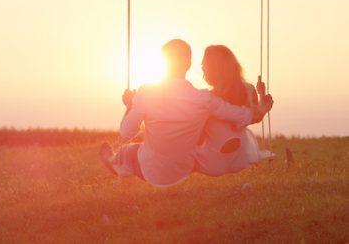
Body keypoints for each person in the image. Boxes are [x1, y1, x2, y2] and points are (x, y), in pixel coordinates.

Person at [100, 39, 273, 187]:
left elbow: (126, 132)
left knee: (128, 151)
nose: (201, 67)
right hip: (199, 166)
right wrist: (261, 107)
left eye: (204, 64)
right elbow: (244, 116)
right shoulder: (205, 99)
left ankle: (116, 162)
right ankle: (118, 164)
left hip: (162, 170)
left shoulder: (147, 92)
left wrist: (131, 104)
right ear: (188, 64)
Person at [195, 45, 275, 176]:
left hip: (213, 161)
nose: (202, 68)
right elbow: (255, 117)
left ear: (215, 68)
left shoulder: (208, 100)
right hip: (241, 157)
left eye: (204, 66)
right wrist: (261, 95)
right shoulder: (248, 90)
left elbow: (199, 135)